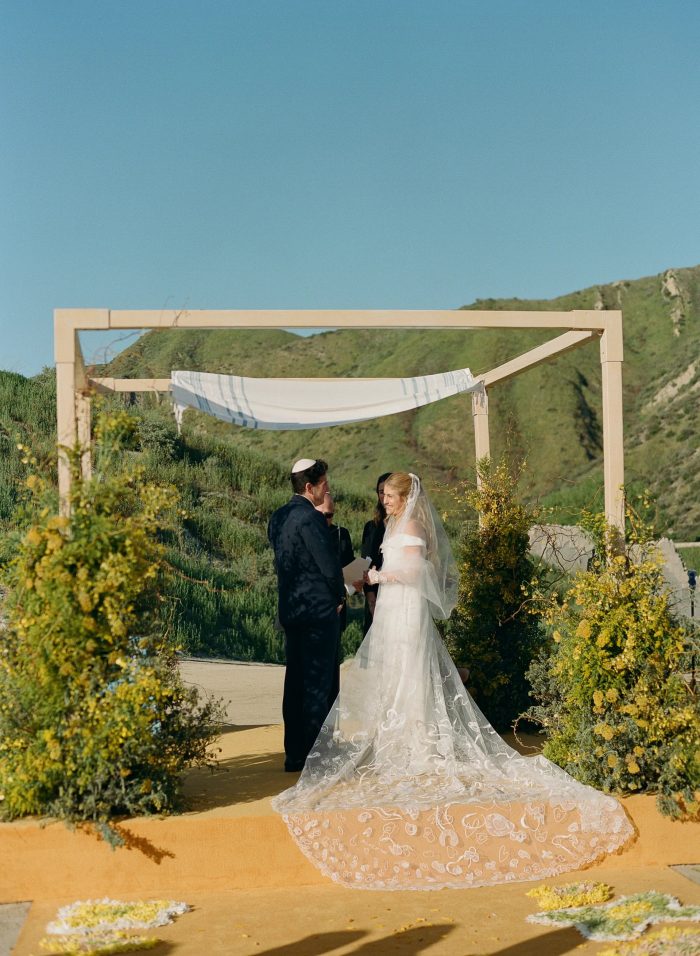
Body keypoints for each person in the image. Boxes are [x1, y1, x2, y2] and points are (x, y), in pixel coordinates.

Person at [272, 472, 633, 890]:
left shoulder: (412, 525)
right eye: (383, 496)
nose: (384, 501)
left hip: (406, 610)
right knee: (395, 674)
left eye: (389, 495)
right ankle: (400, 734)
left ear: (406, 497)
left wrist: (374, 578)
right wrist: (372, 577)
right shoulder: (391, 524)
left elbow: (416, 574)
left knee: (411, 671)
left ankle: (421, 738)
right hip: (390, 610)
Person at [268, 458, 346, 772]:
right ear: (310, 487)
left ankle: (295, 752)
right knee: (319, 682)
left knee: (295, 682)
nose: (327, 489)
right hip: (317, 611)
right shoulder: (310, 519)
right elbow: (328, 565)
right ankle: (318, 754)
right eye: (324, 484)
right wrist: (339, 594)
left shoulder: (278, 516)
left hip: (292, 609)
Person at [315, 493, 354, 633]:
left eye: (329, 515)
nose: (325, 519)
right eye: (321, 514)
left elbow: (350, 564)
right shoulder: (305, 532)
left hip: (337, 606)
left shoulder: (341, 534)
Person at [360, 472, 391, 635]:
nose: (384, 497)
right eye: (381, 492)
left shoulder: (408, 526)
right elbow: (365, 562)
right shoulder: (371, 527)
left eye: (388, 492)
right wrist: (371, 599)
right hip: (375, 593)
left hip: (399, 591)